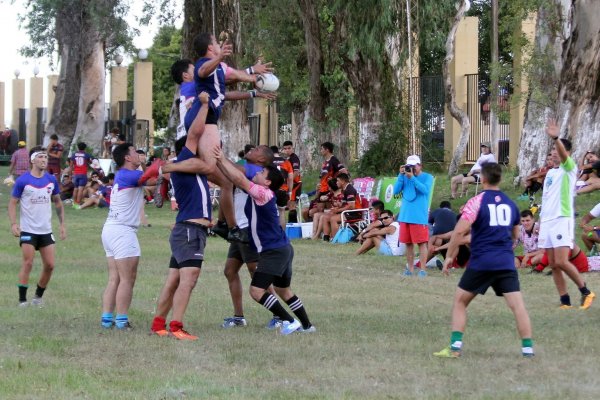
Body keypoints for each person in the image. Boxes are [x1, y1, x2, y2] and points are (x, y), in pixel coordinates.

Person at [167, 57, 274, 241]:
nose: (202, 70)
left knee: (227, 180)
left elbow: (223, 93)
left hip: (192, 144)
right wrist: (250, 72)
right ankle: (229, 227)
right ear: (186, 75)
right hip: (192, 145)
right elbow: (225, 78)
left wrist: (253, 93)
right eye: (195, 68)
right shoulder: (193, 86)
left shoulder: (197, 88)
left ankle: (224, 224)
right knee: (227, 182)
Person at [434, 163, 534, 358]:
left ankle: (454, 349)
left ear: (484, 179)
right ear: (500, 179)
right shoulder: (511, 204)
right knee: (518, 306)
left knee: (460, 302)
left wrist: (449, 257)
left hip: (481, 262)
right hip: (505, 262)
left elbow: (459, 231)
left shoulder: (476, 201)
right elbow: (515, 234)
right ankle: (528, 350)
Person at [214, 145, 315, 335]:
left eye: (261, 172)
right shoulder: (264, 193)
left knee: (256, 291)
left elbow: (237, 178)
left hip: (274, 251)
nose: (257, 173)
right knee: (284, 291)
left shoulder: (262, 193)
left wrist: (220, 159)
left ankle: (288, 320)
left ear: (267, 182)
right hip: (281, 248)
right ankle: (308, 326)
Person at [150, 92, 213, 340]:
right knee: (189, 278)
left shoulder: (188, 168)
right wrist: (205, 105)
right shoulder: (185, 160)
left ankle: (158, 324)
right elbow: (196, 133)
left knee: (174, 279)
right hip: (189, 231)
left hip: (186, 230)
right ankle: (176, 326)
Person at [539, 118, 594, 309]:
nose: (553, 153)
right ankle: (565, 301)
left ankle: (586, 292)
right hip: (547, 221)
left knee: (562, 260)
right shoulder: (551, 173)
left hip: (562, 218)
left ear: (565, 152)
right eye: (552, 150)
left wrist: (556, 138)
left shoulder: (569, 168)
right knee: (554, 264)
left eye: (557, 150)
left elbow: (563, 156)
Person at [8, 146, 67, 306]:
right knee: (28, 263)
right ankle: (22, 300)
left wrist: (62, 225)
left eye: (46, 157)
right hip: (28, 229)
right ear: (32, 160)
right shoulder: (23, 180)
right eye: (41, 157)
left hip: (45, 230)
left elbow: (58, 202)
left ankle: (38, 297)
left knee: (50, 265)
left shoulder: (51, 179)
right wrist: (14, 224)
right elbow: (13, 204)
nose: (44, 160)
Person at [100, 142, 146, 330]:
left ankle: (106, 319)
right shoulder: (131, 175)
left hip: (110, 229)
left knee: (114, 278)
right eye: (135, 152)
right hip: (123, 231)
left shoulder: (123, 174)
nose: (139, 155)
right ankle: (121, 321)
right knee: (128, 278)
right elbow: (153, 178)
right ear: (127, 157)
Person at [393, 155, 434, 277]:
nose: (412, 169)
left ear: (420, 166)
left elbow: (425, 190)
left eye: (414, 166)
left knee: (422, 243)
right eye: (409, 166)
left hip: (418, 216)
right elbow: (395, 191)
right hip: (405, 216)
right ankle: (410, 269)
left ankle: (422, 269)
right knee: (408, 244)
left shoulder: (427, 177)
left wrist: (412, 179)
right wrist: (401, 175)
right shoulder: (404, 176)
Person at [321, 173, 361, 241]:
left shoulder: (350, 190)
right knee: (325, 217)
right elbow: (345, 204)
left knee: (333, 219)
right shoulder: (344, 189)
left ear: (342, 181)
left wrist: (338, 210)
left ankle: (335, 239)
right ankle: (326, 239)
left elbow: (351, 206)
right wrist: (338, 206)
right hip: (347, 212)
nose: (336, 183)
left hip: (354, 213)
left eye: (337, 181)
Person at [317, 142, 348, 207]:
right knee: (318, 210)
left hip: (329, 189)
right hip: (322, 188)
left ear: (327, 150)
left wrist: (334, 180)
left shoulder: (334, 160)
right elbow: (322, 176)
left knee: (328, 210)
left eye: (322, 149)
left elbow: (344, 172)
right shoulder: (325, 162)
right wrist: (319, 184)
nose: (321, 151)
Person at [281, 140, 302, 223]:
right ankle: (290, 225)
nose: (287, 150)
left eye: (289, 148)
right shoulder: (284, 159)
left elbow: (296, 172)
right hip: (287, 185)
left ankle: (293, 226)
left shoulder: (294, 158)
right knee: (287, 204)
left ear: (292, 148)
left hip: (295, 185)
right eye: (285, 149)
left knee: (292, 205)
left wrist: (289, 182)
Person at [69, 142, 91, 209]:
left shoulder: (74, 154)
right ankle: (78, 203)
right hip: (83, 173)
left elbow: (71, 165)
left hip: (76, 174)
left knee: (75, 189)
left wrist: (70, 174)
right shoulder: (86, 155)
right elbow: (90, 162)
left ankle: (74, 202)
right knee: (80, 189)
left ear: (78, 147)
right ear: (85, 148)